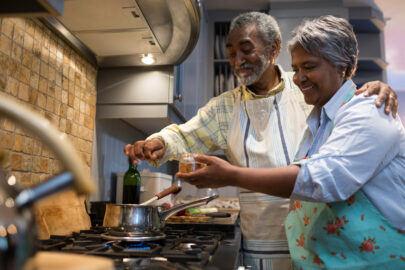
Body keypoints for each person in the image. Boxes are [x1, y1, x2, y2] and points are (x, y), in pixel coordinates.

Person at [124, 12, 398, 269]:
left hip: (331, 247)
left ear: (274, 49)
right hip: (267, 241)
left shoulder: (307, 94)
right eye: (230, 53)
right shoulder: (226, 107)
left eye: (246, 49)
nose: (237, 60)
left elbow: (332, 162)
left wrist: (372, 88)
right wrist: (161, 141)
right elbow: (186, 134)